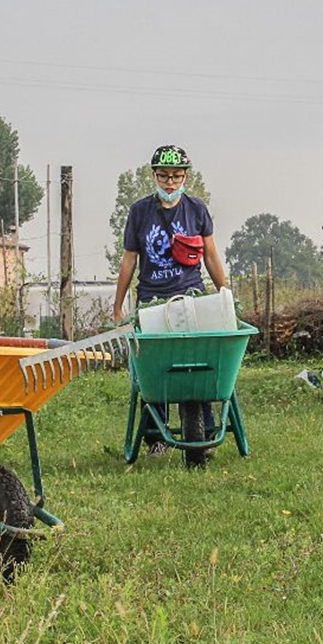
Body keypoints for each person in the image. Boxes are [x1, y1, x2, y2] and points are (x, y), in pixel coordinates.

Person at [112, 144, 228, 463]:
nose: (170, 182)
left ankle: (203, 431)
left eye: (176, 176)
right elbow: (129, 260)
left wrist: (225, 291)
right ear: (154, 176)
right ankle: (155, 437)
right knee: (155, 369)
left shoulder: (196, 209)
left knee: (198, 363)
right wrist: (118, 305)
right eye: (163, 175)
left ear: (185, 177)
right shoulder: (139, 212)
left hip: (190, 293)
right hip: (152, 298)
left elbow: (211, 255)